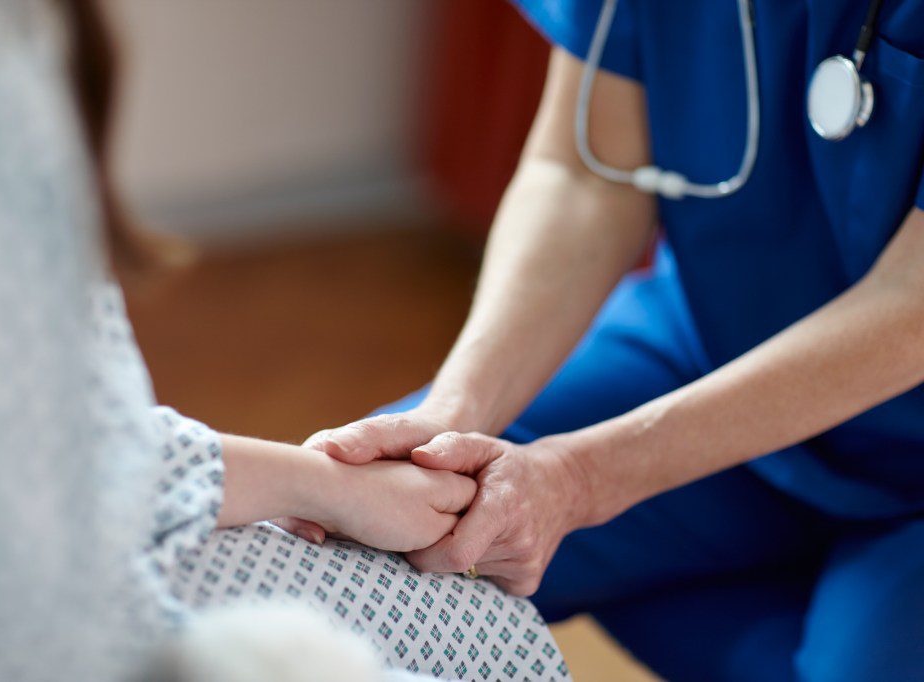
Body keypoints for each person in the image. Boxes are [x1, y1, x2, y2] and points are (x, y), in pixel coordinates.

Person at [0, 1, 569, 680]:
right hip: (45, 623)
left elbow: (52, 441)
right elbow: (10, 595)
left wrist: (331, 483)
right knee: (475, 627)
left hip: (91, 544)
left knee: (477, 620)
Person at [285, 1, 924, 680]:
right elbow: (587, 173)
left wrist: (581, 481)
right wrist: (450, 420)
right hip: (695, 353)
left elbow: (910, 304)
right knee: (352, 549)